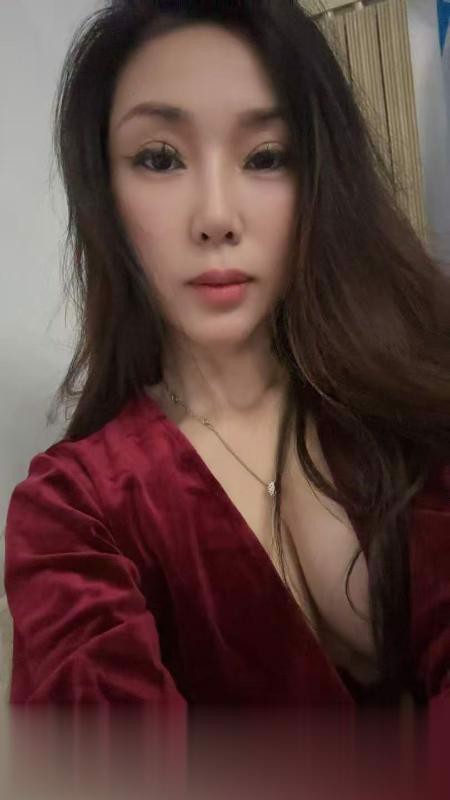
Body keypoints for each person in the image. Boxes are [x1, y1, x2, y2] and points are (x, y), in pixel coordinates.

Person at [4, 0, 450, 718]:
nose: (216, 217)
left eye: (265, 157)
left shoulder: (405, 392)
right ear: (104, 194)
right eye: (160, 159)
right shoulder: (76, 510)